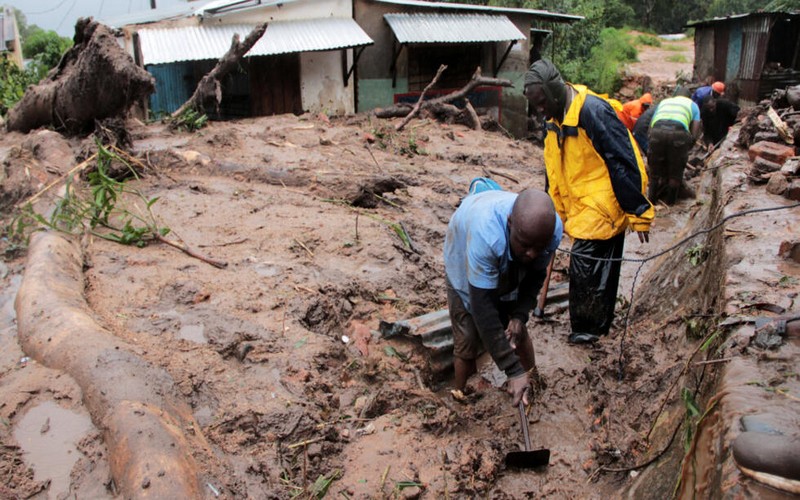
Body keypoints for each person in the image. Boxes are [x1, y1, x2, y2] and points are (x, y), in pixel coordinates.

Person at [522, 59, 654, 345]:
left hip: (604, 202)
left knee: (586, 263)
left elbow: (623, 160)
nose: (540, 110)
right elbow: (553, 165)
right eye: (536, 105)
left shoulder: (592, 111)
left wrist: (638, 209)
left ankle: (587, 332)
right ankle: (594, 325)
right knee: (595, 270)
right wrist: (551, 207)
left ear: (555, 90)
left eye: (542, 102)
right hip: (579, 201)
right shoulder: (554, 118)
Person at [444, 187, 563, 406]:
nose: (532, 254)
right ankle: (462, 400)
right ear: (510, 223)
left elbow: (536, 275)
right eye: (526, 245)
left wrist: (519, 316)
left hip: (505, 249)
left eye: (539, 248)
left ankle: (532, 384)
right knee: (468, 336)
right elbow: (483, 309)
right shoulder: (487, 237)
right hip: (463, 254)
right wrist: (513, 370)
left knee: (516, 329)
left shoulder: (550, 231)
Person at [647, 89, 701, 204]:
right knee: (675, 175)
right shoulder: (693, 105)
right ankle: (670, 205)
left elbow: (651, 126)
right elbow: (695, 133)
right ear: (688, 97)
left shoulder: (664, 102)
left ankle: (650, 202)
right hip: (679, 133)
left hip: (656, 132)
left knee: (654, 174)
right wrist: (686, 150)